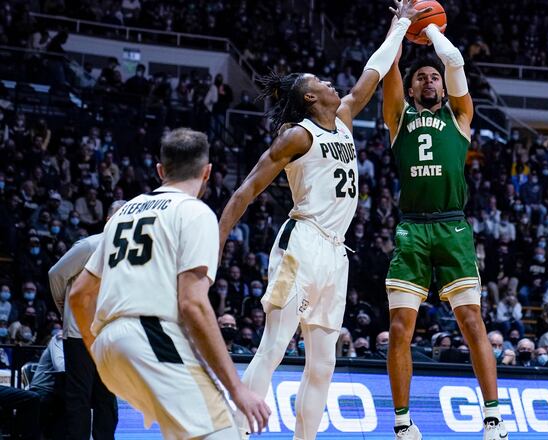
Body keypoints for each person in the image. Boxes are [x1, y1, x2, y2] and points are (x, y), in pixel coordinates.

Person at [217, 4, 426, 439]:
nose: (331, 82)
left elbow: (374, 71)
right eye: (320, 82)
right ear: (310, 97)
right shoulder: (298, 135)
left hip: (336, 251)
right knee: (274, 345)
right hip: (301, 243)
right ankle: (233, 433)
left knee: (324, 361)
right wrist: (215, 244)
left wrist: (399, 26)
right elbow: (246, 190)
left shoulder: (345, 117)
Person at [68, 128, 269, 439]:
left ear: (160, 170)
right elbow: (193, 304)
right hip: (151, 336)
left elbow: (79, 295)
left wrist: (102, 351)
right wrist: (237, 388)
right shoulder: (194, 212)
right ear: (208, 172)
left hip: (107, 348)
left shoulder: (122, 214)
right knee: (223, 430)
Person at [381, 8, 508, 438]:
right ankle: (402, 426)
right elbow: (389, 65)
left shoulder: (461, 117)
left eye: (433, 77)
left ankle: (492, 419)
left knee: (472, 321)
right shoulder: (399, 119)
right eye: (422, 78)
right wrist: (401, 24)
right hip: (412, 228)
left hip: (453, 227)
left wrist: (431, 27)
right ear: (413, 88)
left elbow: (453, 62)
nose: (429, 81)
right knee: (400, 327)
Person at [48, 201, 125, 439]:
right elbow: (56, 274)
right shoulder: (90, 245)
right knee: (79, 398)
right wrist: (65, 307)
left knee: (107, 399)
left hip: (110, 336)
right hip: (79, 334)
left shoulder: (129, 253)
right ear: (108, 220)